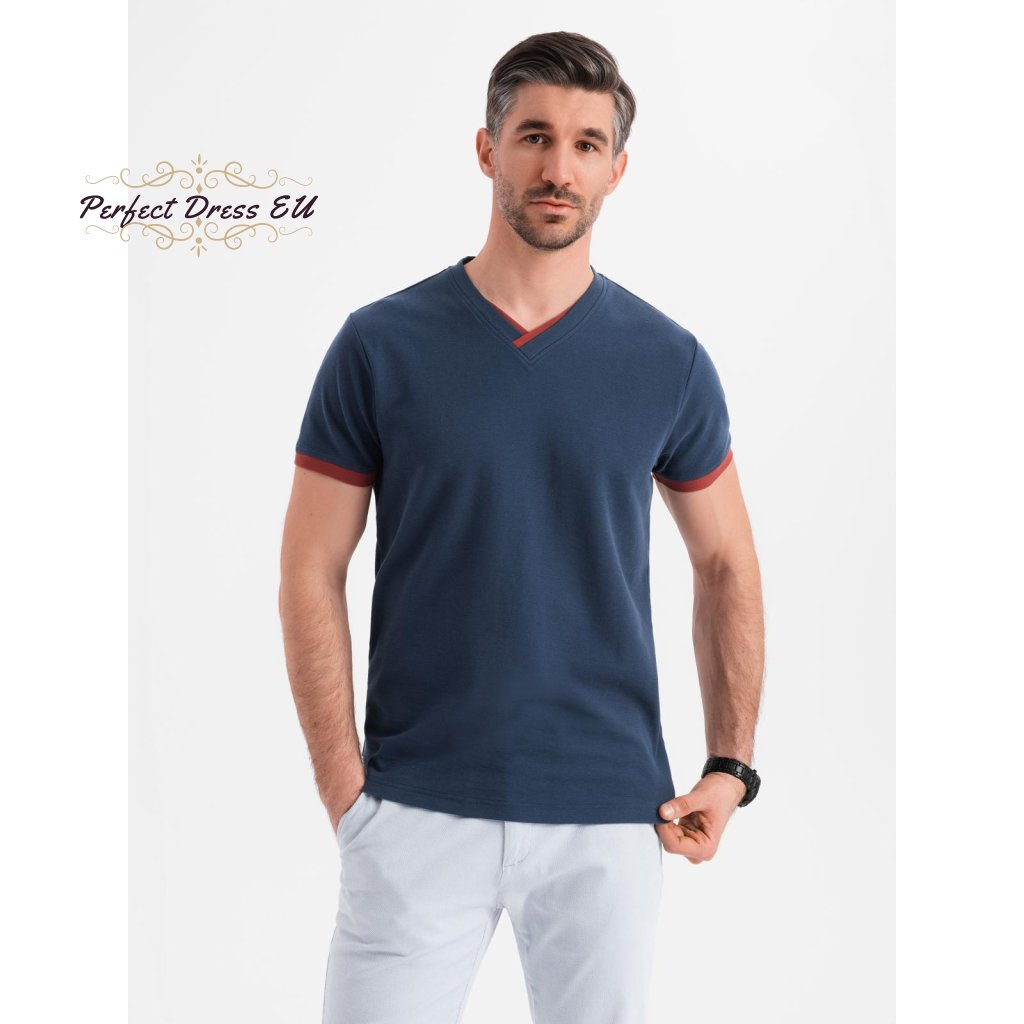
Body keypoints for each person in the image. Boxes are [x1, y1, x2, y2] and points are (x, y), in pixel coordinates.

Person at [279, 29, 765, 1024]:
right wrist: (345, 789)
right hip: (414, 807)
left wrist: (729, 765)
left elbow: (724, 560)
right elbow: (309, 568)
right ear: (486, 149)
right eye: (535, 136)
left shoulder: (666, 360)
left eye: (588, 144)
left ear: (617, 169)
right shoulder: (380, 346)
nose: (558, 168)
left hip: (610, 816)